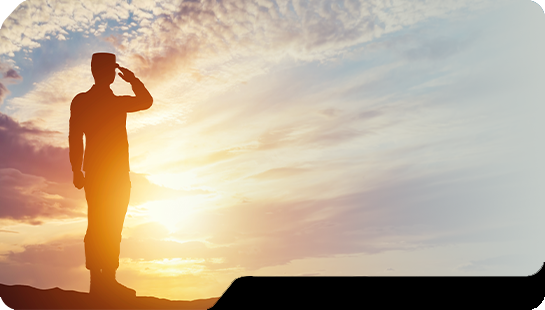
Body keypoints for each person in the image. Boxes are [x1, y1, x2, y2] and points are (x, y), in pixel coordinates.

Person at [68, 52, 153, 298]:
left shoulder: (97, 101)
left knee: (108, 224)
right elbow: (75, 137)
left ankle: (106, 280)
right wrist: (133, 79)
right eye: (109, 70)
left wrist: (76, 168)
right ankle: (100, 281)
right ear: (106, 73)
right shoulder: (98, 102)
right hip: (104, 174)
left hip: (111, 174)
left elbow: (146, 102)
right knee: (103, 224)